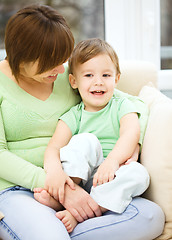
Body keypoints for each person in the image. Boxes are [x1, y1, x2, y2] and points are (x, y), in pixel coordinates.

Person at [0, 4, 164, 240]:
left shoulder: (63, 75)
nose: (59, 69)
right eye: (50, 63)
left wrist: (133, 144)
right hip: (17, 189)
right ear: (21, 56)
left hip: (82, 178)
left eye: (62, 60)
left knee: (150, 216)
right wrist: (61, 188)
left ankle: (67, 223)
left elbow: (131, 101)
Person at [34, 38, 150, 233]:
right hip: (79, 179)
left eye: (106, 75)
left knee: (140, 174)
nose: (98, 82)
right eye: (88, 75)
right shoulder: (74, 115)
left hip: (112, 177)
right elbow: (53, 148)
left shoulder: (122, 106)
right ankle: (65, 194)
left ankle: (80, 211)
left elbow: (131, 133)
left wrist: (112, 161)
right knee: (85, 140)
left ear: (116, 79)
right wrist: (55, 174)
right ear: (73, 81)